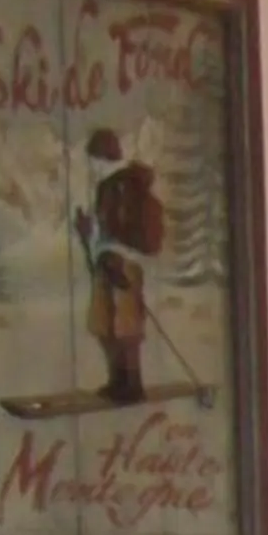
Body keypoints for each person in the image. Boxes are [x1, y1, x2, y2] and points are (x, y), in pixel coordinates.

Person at [74, 128, 164, 405]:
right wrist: (87, 232)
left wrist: (116, 251)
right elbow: (103, 230)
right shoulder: (107, 186)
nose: (92, 166)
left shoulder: (125, 185)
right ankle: (118, 381)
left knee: (126, 325)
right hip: (107, 261)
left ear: (102, 157)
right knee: (104, 323)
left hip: (124, 263)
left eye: (94, 159)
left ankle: (131, 384)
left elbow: (125, 230)